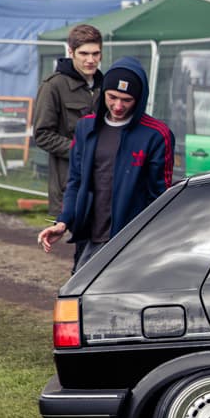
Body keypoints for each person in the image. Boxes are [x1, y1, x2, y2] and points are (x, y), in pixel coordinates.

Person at [38, 57, 174, 272]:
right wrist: (63, 222)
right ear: (103, 93)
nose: (118, 106)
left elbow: (160, 197)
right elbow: (75, 182)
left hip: (130, 241)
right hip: (90, 236)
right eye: (112, 97)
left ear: (139, 99)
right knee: (79, 289)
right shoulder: (86, 127)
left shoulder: (156, 135)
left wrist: (148, 240)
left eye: (127, 100)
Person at [32, 25, 103, 218]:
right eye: (84, 54)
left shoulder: (105, 86)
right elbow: (42, 134)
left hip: (103, 181)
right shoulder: (53, 86)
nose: (91, 60)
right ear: (71, 52)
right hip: (69, 183)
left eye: (95, 53)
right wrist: (80, 151)